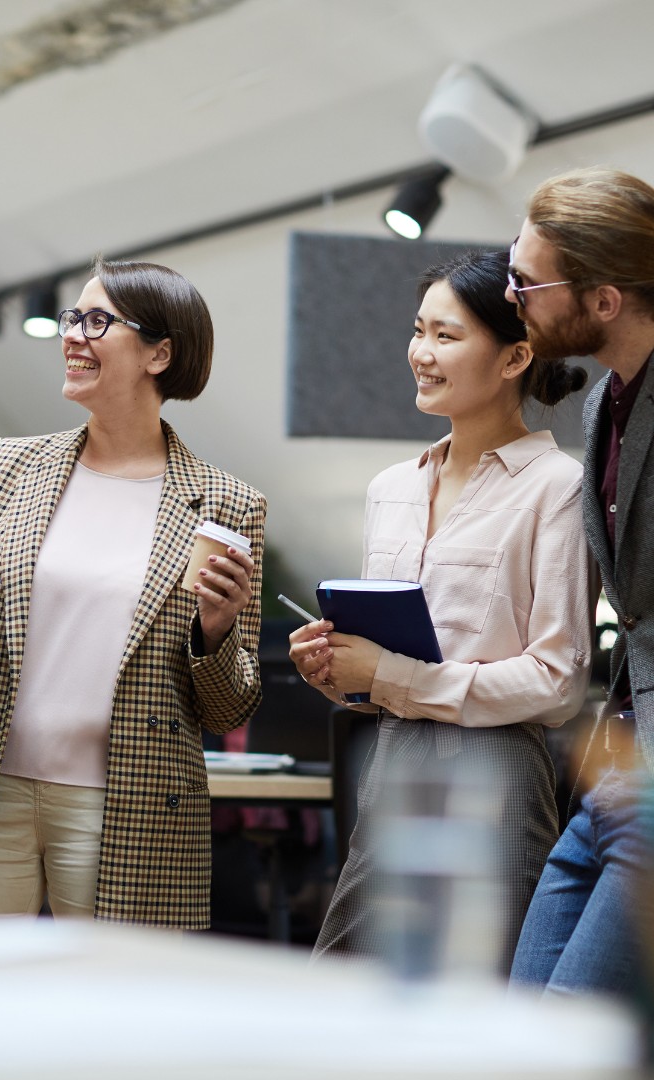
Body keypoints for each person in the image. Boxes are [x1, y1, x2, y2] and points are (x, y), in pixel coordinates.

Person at [0, 258, 265, 928]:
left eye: (99, 321)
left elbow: (227, 707)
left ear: (161, 353)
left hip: (128, 806)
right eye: (73, 317)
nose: (73, 335)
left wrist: (215, 630)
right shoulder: (9, 466)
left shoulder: (228, 504)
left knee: (112, 1024)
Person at [289, 249, 592, 973]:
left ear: (517, 355)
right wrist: (334, 669)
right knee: (345, 990)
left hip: (497, 770)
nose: (421, 353)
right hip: (390, 758)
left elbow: (556, 681)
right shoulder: (389, 488)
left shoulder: (559, 486)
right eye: (418, 330)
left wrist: (389, 673)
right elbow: (379, 670)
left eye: (446, 336)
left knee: (473, 1014)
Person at [509, 167, 654, 998]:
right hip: (612, 772)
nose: (512, 295)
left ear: (603, 300)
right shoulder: (602, 405)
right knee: (522, 1029)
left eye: (529, 282)